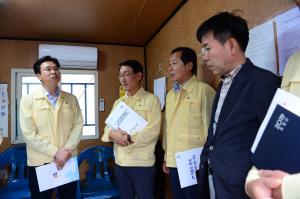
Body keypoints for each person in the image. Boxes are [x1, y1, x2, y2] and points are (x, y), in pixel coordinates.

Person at [195, 11, 281, 199]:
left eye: (207, 49)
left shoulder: (264, 83)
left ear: (231, 45)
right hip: (215, 179)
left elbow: (274, 147)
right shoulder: (221, 86)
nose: (204, 57)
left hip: (241, 187)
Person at [19, 56, 83, 199]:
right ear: (38, 76)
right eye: (48, 69)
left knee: (68, 196)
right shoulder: (28, 101)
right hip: (40, 162)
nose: (54, 72)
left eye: (56, 68)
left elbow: (78, 126)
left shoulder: (71, 99)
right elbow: (28, 134)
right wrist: (55, 152)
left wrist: (65, 151)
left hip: (67, 159)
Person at [101, 60, 161, 199]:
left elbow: (153, 131)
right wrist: (111, 134)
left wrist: (128, 138)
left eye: (126, 74)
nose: (122, 79)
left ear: (139, 75)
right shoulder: (118, 103)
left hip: (142, 163)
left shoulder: (152, 100)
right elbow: (107, 127)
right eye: (120, 75)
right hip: (120, 162)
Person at [245, 51, 300, 199]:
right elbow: (277, 133)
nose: (204, 56)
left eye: (208, 48)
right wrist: (254, 178)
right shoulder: (294, 61)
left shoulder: (264, 80)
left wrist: (287, 188)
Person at [162, 47, 215, 199]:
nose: (169, 68)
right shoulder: (171, 95)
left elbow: (210, 131)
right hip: (174, 162)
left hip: (194, 162)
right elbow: (168, 128)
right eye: (169, 64)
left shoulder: (204, 91)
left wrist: (207, 162)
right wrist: (167, 156)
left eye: (174, 63)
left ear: (189, 65)